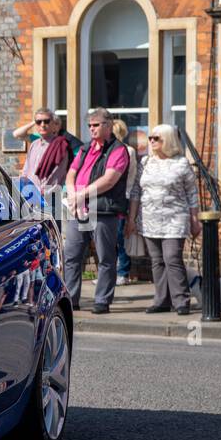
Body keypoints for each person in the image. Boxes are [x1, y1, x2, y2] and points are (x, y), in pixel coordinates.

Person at [64, 106, 129, 315]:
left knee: (105, 258)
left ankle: (102, 300)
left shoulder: (118, 150)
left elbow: (109, 180)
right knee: (71, 256)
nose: (91, 129)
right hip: (79, 209)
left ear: (108, 125)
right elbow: (71, 173)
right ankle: (71, 299)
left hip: (103, 210)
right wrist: (73, 194)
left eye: (96, 125)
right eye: (89, 125)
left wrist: (81, 195)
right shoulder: (85, 149)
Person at [131, 124, 199, 316]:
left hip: (175, 218)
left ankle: (181, 300)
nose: (151, 141)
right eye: (151, 138)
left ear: (167, 140)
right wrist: (132, 217)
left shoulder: (181, 163)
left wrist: (195, 220)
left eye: (156, 138)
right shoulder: (145, 162)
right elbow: (136, 190)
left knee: (172, 258)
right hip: (150, 217)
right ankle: (161, 300)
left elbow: (192, 193)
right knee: (157, 260)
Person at [18, 108, 70, 209]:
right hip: (29, 197)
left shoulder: (60, 145)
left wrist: (40, 194)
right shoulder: (34, 144)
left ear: (54, 124)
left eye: (46, 121)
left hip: (49, 199)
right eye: (38, 122)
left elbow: (56, 176)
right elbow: (26, 171)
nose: (42, 124)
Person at [112, 119, 140, 287]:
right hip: (107, 199)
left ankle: (123, 272)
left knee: (120, 237)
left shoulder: (127, 150)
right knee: (108, 239)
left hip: (123, 197)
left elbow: (130, 176)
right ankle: (111, 273)